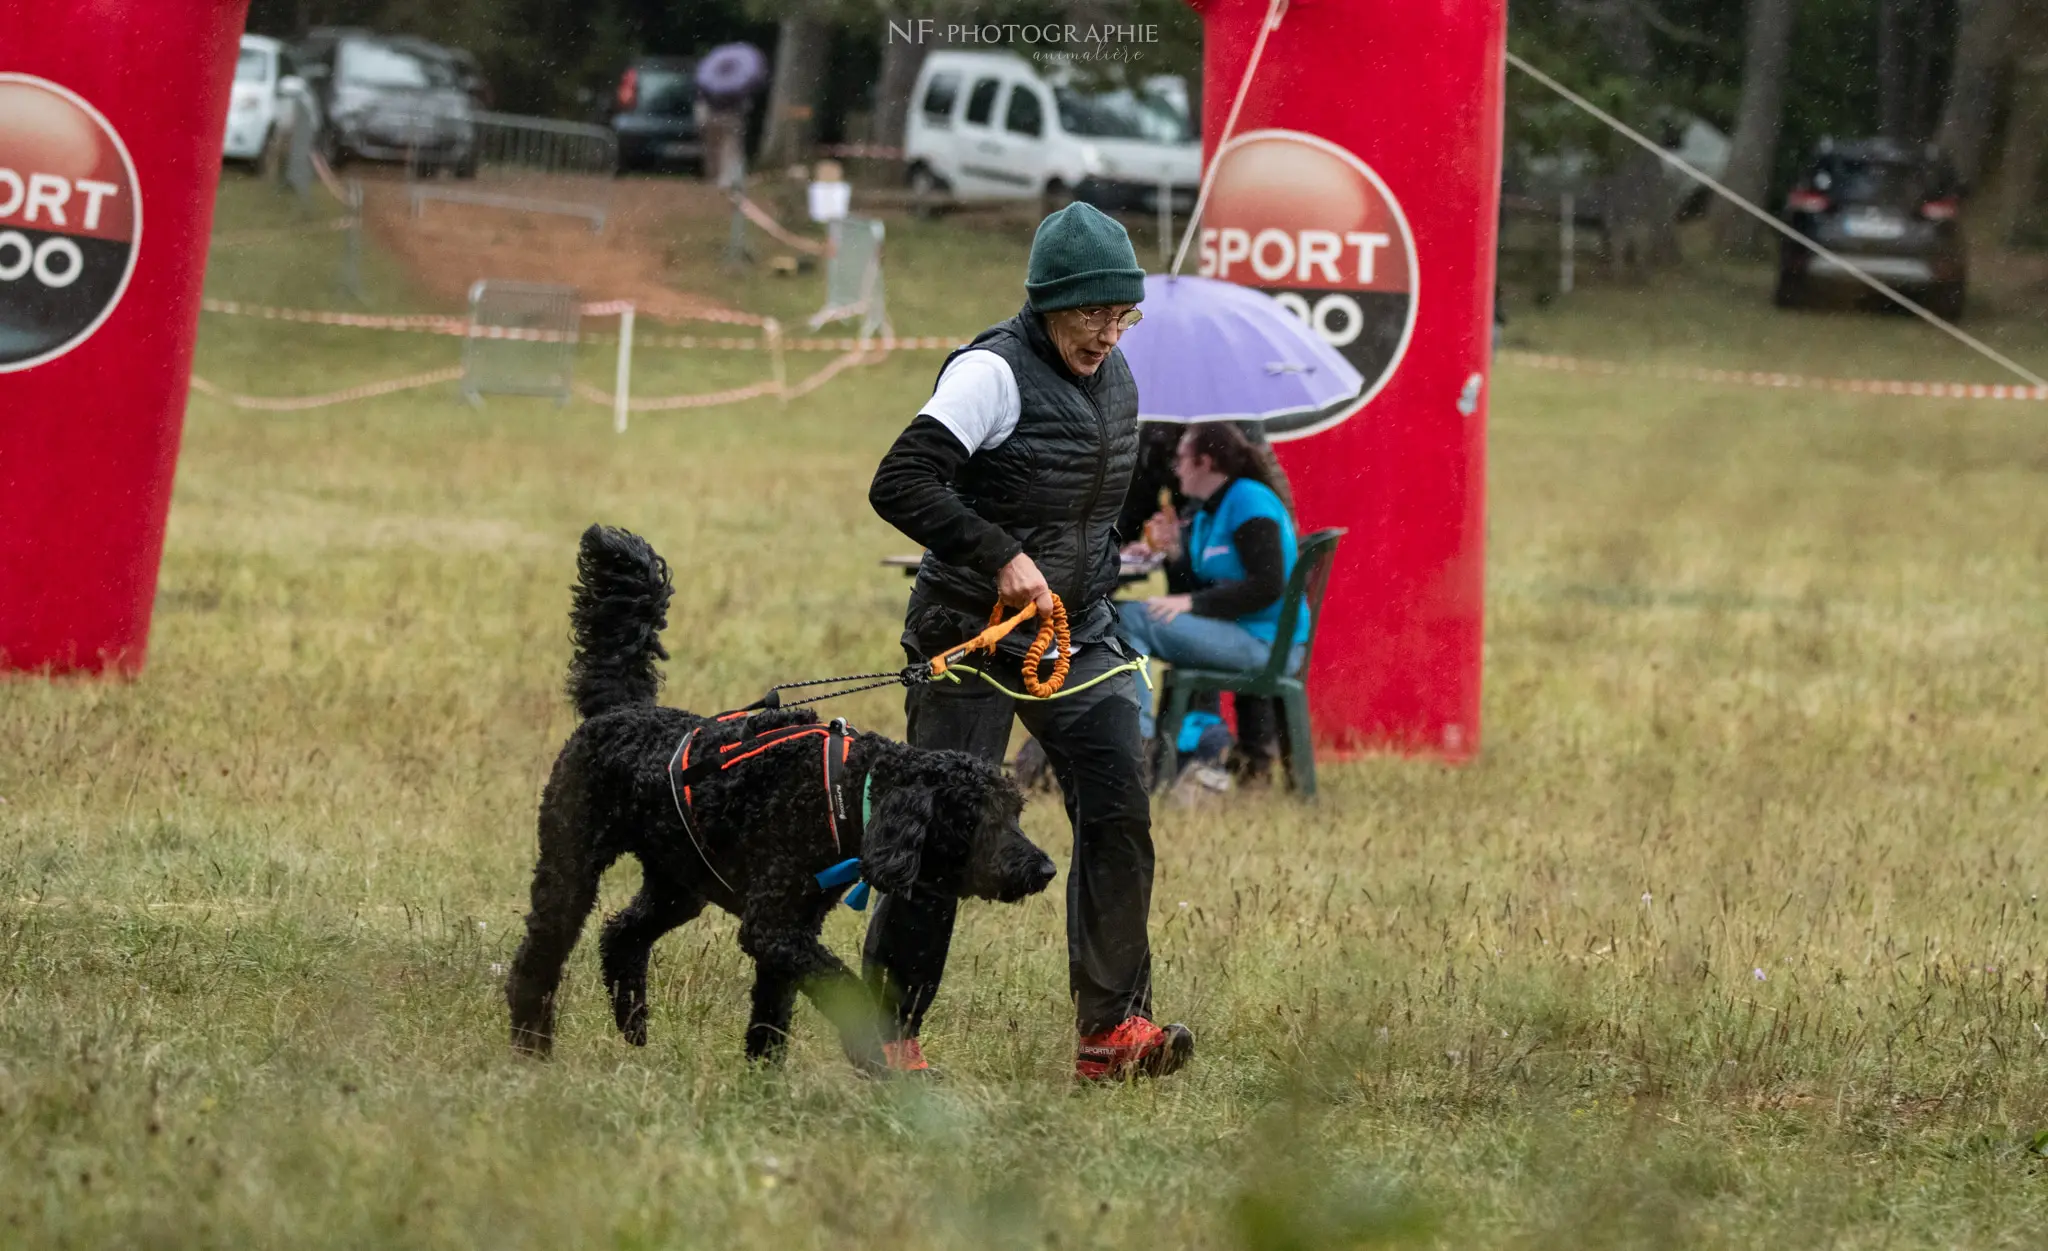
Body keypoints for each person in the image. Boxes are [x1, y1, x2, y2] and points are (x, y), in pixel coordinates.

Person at [866, 202, 1194, 1082]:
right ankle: (886, 1032)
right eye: (1091, 312)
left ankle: (1112, 1029)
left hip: (1076, 634)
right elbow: (899, 480)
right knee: (942, 827)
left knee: (1120, 803)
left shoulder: (1117, 377)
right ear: (1048, 302)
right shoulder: (991, 374)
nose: (1107, 332)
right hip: (972, 633)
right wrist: (1003, 554)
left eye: (1121, 314)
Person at [1119, 423, 1309, 763]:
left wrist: (1190, 603)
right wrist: (1174, 552)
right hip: (1244, 634)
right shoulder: (1210, 509)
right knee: (1127, 617)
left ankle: (1136, 743)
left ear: (1205, 463)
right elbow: (1207, 577)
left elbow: (1267, 585)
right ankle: (1149, 742)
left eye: (1181, 460)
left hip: (1264, 643)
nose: (1175, 469)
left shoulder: (1249, 500)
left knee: (1128, 617)